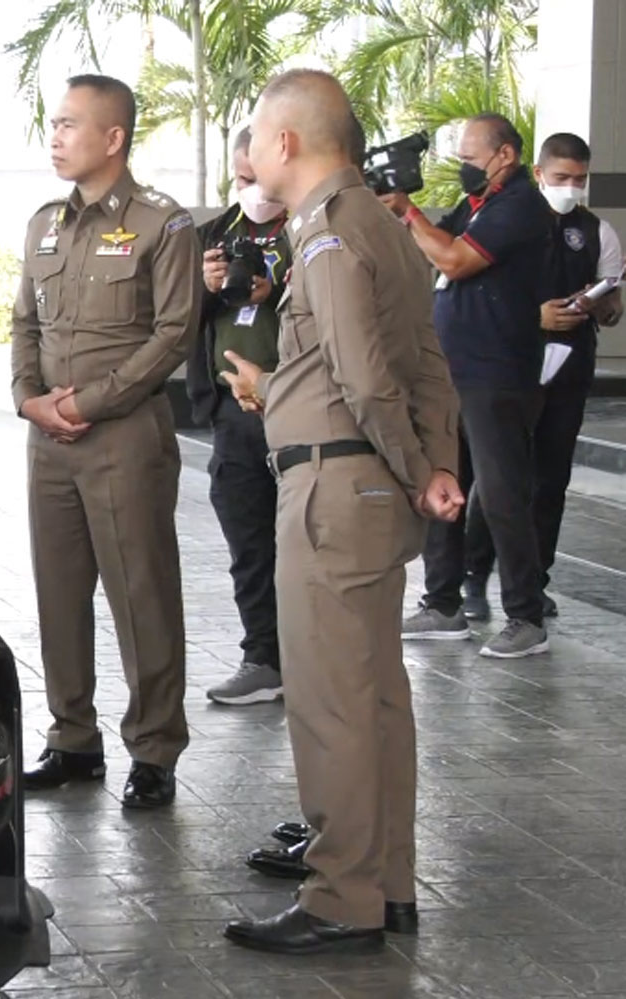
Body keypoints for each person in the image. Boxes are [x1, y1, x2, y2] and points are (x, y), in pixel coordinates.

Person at [218, 69, 462, 954]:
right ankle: (386, 884)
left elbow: (361, 376)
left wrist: (410, 468)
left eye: (253, 133)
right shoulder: (382, 228)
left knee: (331, 704)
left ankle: (340, 897)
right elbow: (424, 364)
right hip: (364, 481)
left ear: (285, 141)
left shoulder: (324, 235)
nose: (247, 152)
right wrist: (432, 464)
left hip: (333, 489)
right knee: (377, 698)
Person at [11, 74, 200, 809]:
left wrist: (88, 402)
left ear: (113, 137)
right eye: (52, 124)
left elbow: (173, 334)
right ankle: (71, 738)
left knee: (140, 595)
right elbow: (23, 320)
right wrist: (29, 399)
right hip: (49, 441)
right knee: (59, 595)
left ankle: (153, 750)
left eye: (67, 124)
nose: (54, 137)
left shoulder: (164, 224)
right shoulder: (43, 223)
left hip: (123, 437)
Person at [379, 114, 553, 658]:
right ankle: (443, 604)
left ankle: (526, 615)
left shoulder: (521, 206)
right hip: (454, 372)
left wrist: (407, 210)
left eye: (471, 158)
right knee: (444, 484)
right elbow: (435, 245)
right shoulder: (477, 205)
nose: (463, 168)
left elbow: (454, 261)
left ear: (505, 155)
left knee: (501, 496)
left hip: (497, 373)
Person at [461, 132, 624, 621]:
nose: (571, 188)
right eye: (561, 178)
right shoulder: (505, 220)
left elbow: (614, 304)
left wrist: (598, 306)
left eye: (580, 179)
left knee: (550, 477)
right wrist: (536, 317)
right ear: (538, 174)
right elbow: (474, 294)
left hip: (569, 370)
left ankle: (536, 579)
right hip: (508, 365)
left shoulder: (597, 231)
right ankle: (473, 576)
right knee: (496, 477)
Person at [187, 126, 292, 706]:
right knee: (249, 539)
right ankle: (262, 657)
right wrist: (205, 290)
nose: (251, 191)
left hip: (302, 409)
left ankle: (311, 656)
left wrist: (272, 290)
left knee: (306, 541)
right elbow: (177, 318)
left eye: (259, 178)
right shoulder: (214, 234)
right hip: (234, 412)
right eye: (241, 179)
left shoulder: (310, 229)